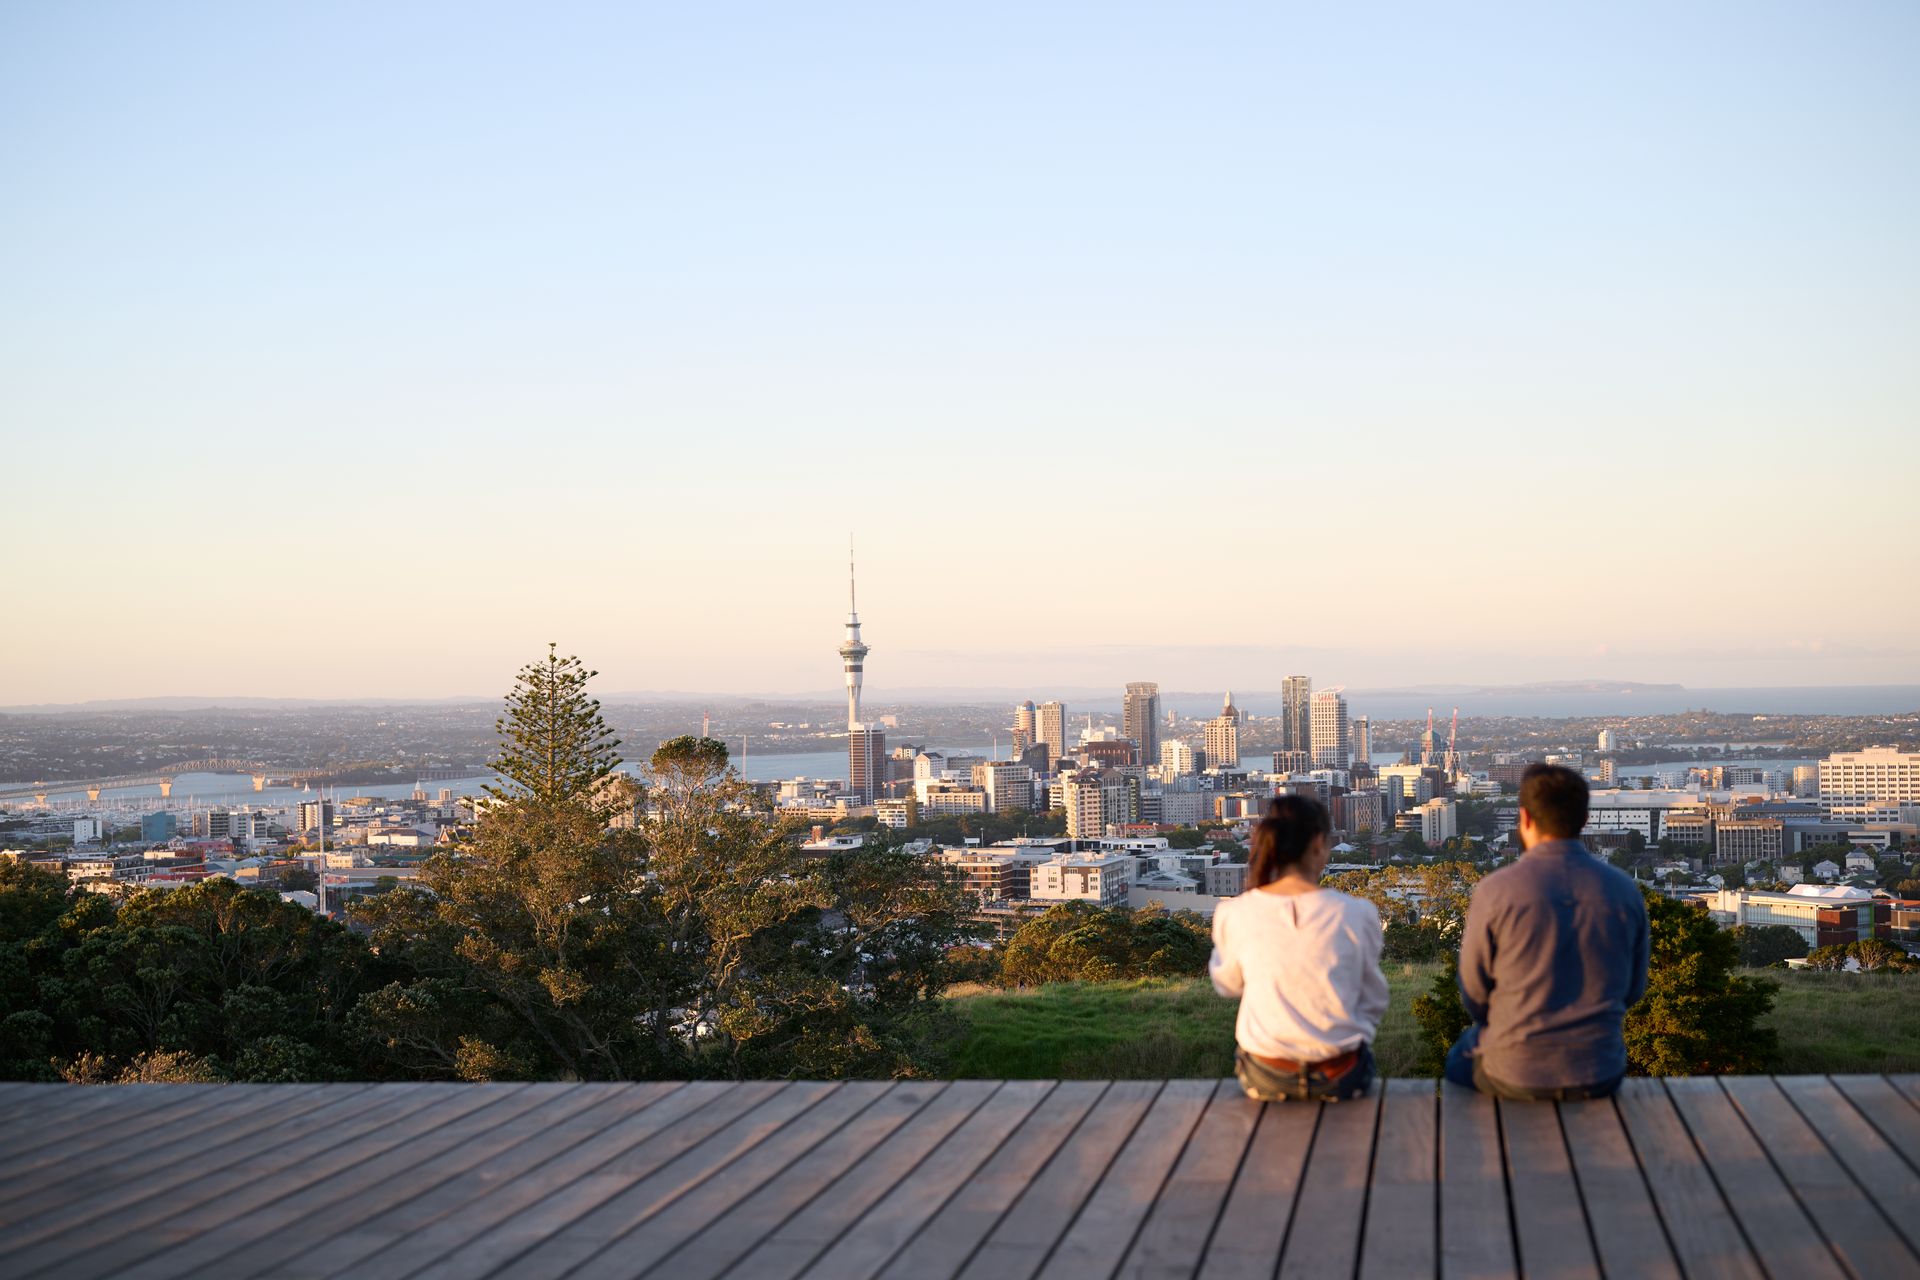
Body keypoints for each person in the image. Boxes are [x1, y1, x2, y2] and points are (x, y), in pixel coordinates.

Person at [1446, 763, 1650, 1100]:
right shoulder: (1624, 890)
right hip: (1598, 1070)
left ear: (1524, 818)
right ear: (1584, 820)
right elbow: (1633, 990)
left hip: (1516, 1070)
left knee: (1459, 1057)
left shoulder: (1496, 891)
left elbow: (1474, 993)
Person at [1209, 795, 1389, 1101]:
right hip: (1340, 1075)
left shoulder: (1235, 912)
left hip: (1267, 1075)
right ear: (1319, 843)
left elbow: (1227, 984)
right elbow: (1374, 998)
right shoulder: (1357, 913)